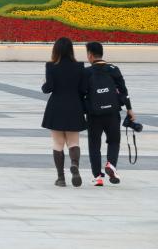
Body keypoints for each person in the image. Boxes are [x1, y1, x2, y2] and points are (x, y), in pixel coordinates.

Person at [82, 41, 136, 186]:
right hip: (112, 113)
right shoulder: (113, 69)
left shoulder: (86, 72)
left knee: (94, 145)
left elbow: (81, 93)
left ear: (90, 55)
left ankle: (98, 177)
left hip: (94, 115)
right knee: (113, 141)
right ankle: (111, 165)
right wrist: (129, 109)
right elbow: (124, 91)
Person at [41, 37, 86, 187]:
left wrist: (44, 84)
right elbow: (83, 89)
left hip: (56, 107)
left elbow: (48, 88)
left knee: (58, 143)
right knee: (73, 142)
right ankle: (74, 164)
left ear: (56, 49)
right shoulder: (79, 66)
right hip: (74, 106)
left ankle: (61, 178)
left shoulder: (51, 66)